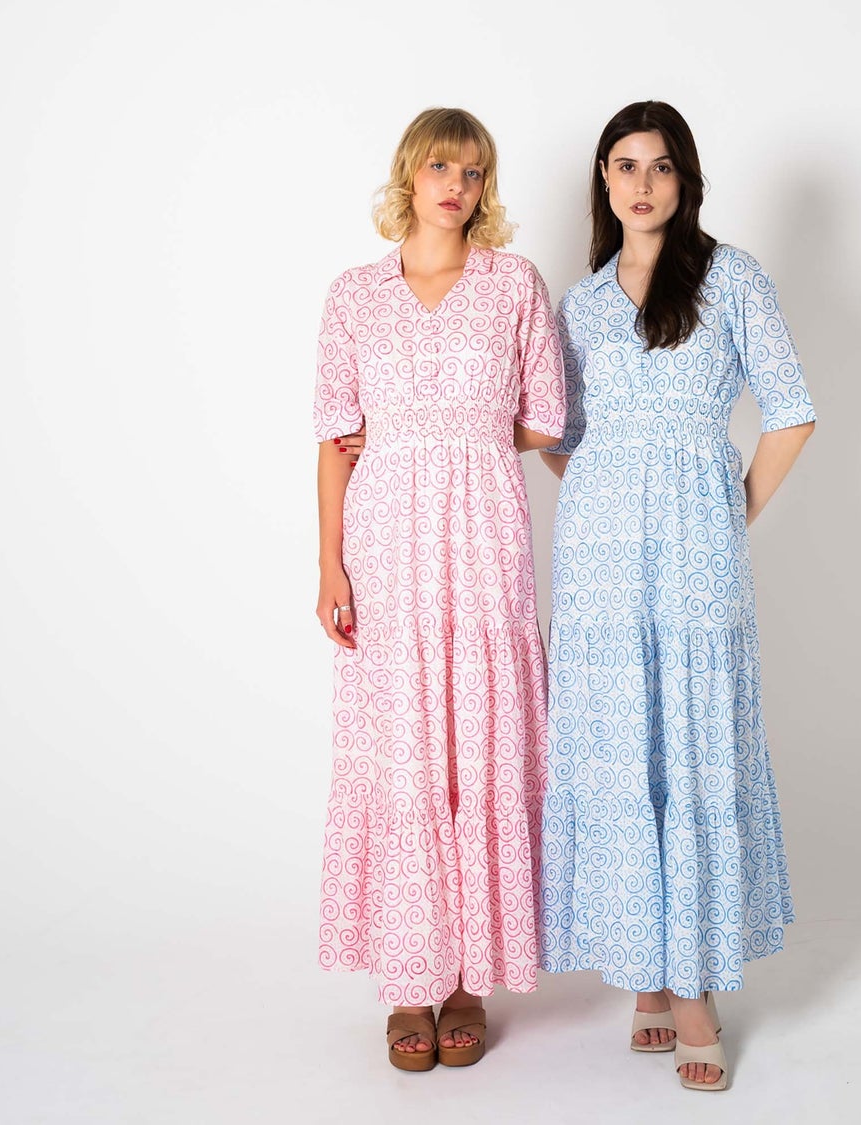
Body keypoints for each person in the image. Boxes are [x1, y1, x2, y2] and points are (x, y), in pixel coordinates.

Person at [537, 100, 817, 1092]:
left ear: (684, 178)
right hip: (600, 561)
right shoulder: (578, 301)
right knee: (625, 750)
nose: (641, 182)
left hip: (697, 549)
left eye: (659, 165)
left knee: (689, 748)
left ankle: (691, 984)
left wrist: (728, 507)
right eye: (623, 165)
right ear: (603, 182)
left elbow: (788, 413)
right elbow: (557, 435)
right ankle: (647, 980)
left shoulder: (730, 277)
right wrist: (612, 499)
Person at [311, 106, 566, 1072]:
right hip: (386, 544)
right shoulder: (354, 295)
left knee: (479, 747)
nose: (455, 186)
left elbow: (545, 418)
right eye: (439, 167)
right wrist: (329, 563)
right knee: (406, 748)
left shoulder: (514, 286)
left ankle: (466, 980)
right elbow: (333, 441)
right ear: (409, 176)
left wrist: (451, 433)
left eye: (473, 171)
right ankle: (408, 984)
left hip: (486, 540)